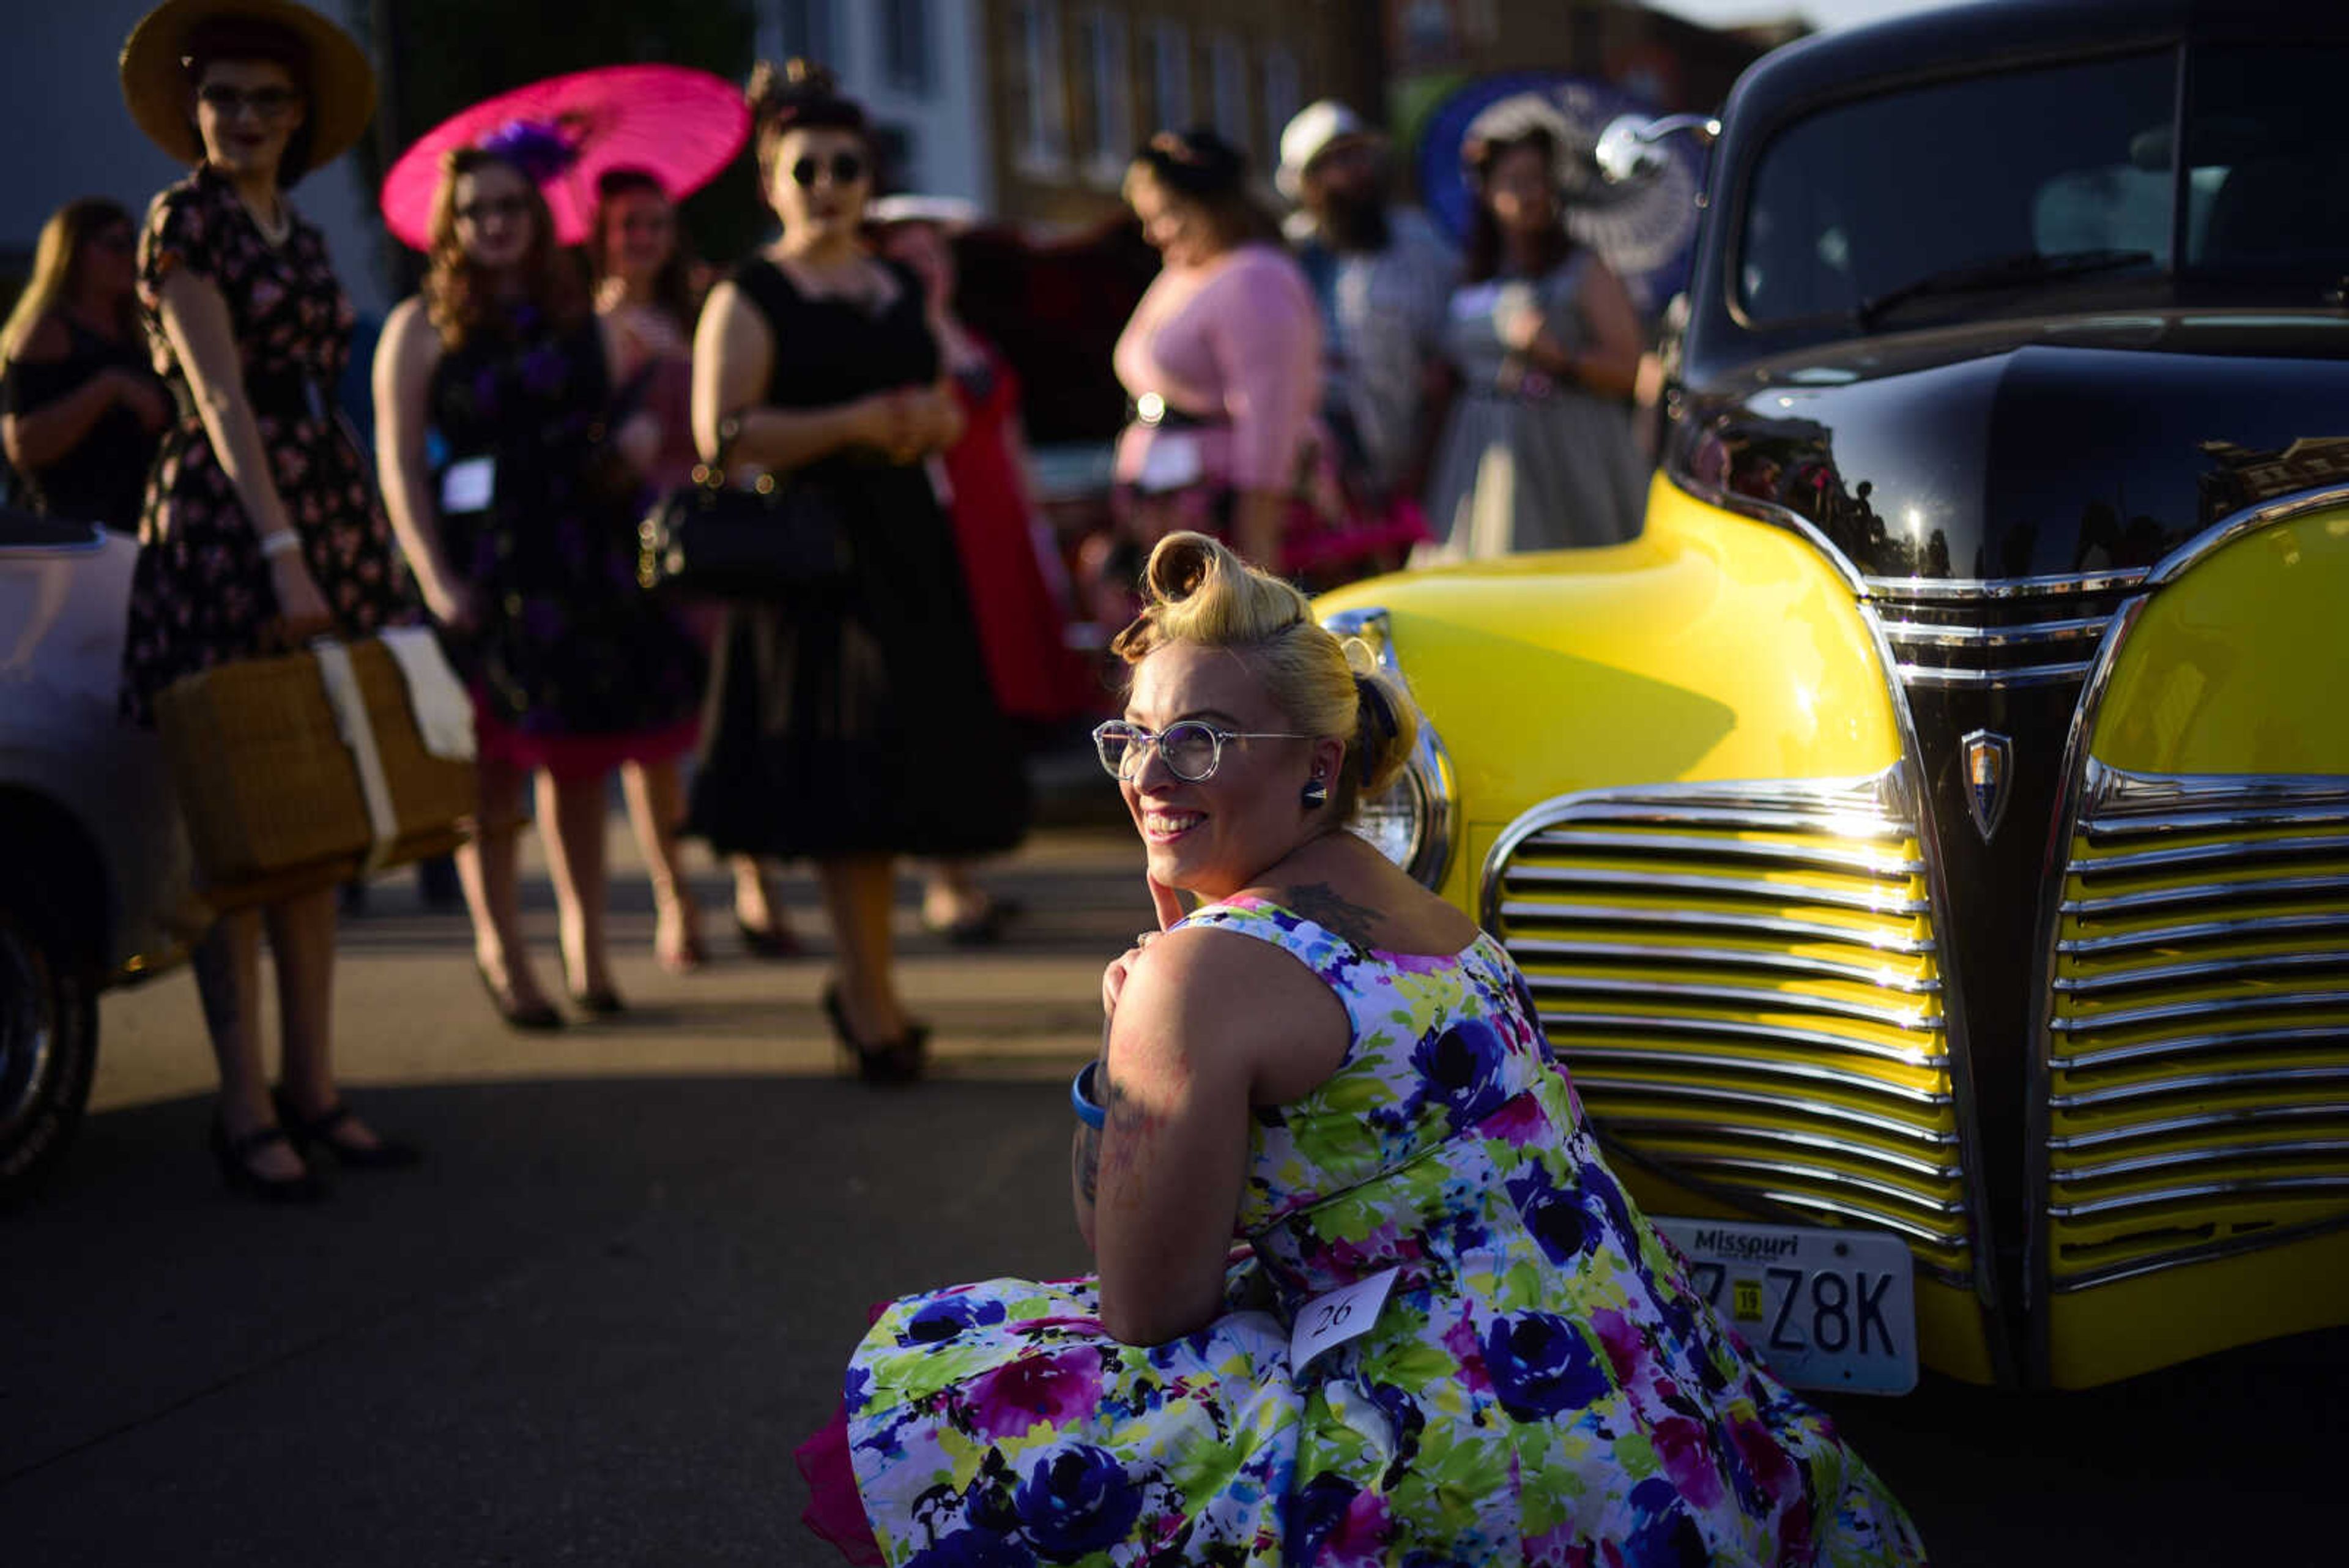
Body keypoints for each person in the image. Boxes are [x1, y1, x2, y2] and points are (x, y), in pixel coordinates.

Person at [798, 530, 1927, 1564]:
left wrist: (1116, 1058)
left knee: (950, 1384)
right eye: (1132, 737)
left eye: (1198, 740)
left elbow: (1144, 1302)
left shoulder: (1199, 975)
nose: (1147, 778)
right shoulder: (1431, 909)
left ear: (1319, 767)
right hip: (1652, 1422)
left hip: (1475, 1457)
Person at [116, 0, 420, 1199]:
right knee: (238, 828)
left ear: (298, 119)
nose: (243, 119)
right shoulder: (182, 221)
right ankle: (241, 1106)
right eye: (224, 97)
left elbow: (311, 397)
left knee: (315, 824)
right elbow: (223, 400)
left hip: (319, 513)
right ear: (195, 108)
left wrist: (359, 550)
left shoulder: (296, 228)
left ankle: (316, 1085)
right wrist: (284, 546)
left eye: (267, 101)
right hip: (226, 527)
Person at [686, 60, 1028, 1078]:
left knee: (904, 768)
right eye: (808, 167)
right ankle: (869, 996)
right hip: (808, 564)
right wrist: (852, 423)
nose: (829, 183)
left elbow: (943, 401)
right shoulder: (749, 293)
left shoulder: (896, 284)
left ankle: (870, 983)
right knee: (847, 782)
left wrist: (928, 419)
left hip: (902, 548)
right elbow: (720, 436)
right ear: (771, 182)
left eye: (846, 165)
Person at [375, 146, 706, 1028]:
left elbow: (629, 414)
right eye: (476, 207)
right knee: (489, 772)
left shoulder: (579, 316)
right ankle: (503, 951)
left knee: (579, 765)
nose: (494, 222)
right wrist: (436, 579)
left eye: (511, 205)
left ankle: (586, 948)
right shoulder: (419, 326)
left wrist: (634, 430)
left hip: (580, 554)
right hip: (481, 567)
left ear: (539, 215)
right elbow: (400, 467)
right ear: (451, 220)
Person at [588, 165, 801, 971]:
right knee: (655, 733)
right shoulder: (591, 328)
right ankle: (677, 899)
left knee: (742, 712)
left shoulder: (707, 306)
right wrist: (614, 440)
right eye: (626, 225)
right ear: (601, 236)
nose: (643, 239)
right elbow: (577, 449)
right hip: (641, 541)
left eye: (655, 222)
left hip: (722, 534)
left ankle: (759, 883)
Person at [870, 194, 1086, 943]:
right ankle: (944, 880)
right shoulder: (891, 340)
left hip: (1001, 532)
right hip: (945, 530)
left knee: (992, 698)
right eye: (907, 257)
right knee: (947, 692)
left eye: (934, 254)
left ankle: (969, 873)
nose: (925, 268)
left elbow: (1011, 436)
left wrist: (1037, 523)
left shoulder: (965, 333)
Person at [1421, 94, 1650, 558]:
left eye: (1539, 181)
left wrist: (1560, 357)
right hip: (1481, 464)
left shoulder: (1584, 270)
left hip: (1567, 461)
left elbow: (1631, 371)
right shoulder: (1472, 274)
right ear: (1486, 191)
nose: (1530, 195)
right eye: (1515, 182)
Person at [1110, 128, 1338, 587]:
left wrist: (1257, 575)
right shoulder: (1185, 271)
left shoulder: (1257, 278)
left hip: (1231, 541)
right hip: (1178, 523)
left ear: (1212, 205)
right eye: (1146, 218)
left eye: (1167, 215)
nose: (1152, 234)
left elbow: (1270, 426)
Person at [1277, 100, 1455, 562]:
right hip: (1313, 480)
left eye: (1358, 156)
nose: (1354, 172)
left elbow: (1446, 366)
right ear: (1307, 182)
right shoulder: (1286, 257)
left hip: (1405, 464)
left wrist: (1421, 467)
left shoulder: (1422, 245)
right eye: (1335, 162)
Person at [0, 198, 171, 533]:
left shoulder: (138, 329)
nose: (129, 257)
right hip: (70, 532)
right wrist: (108, 388)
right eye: (114, 245)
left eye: (133, 244)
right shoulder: (49, 331)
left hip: (136, 522)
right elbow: (22, 444)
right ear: (74, 253)